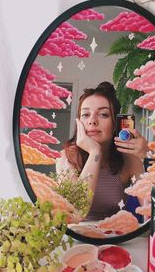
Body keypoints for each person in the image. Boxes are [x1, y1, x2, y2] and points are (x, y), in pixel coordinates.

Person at [56, 81, 149, 220]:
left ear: (115, 123)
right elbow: (76, 212)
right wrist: (95, 152)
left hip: (115, 235)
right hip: (77, 238)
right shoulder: (66, 157)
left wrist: (147, 155)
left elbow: (153, 211)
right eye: (86, 115)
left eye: (103, 114)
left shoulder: (128, 159)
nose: (92, 121)